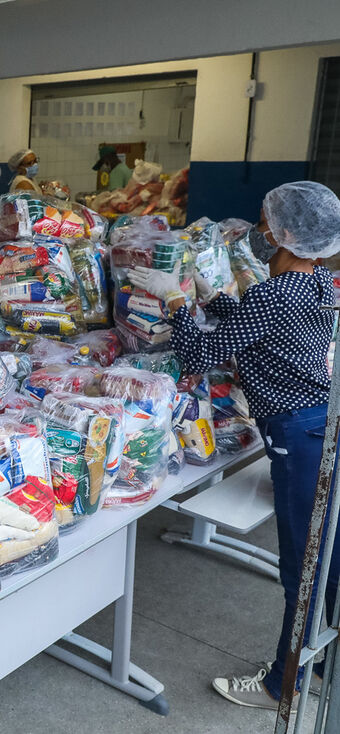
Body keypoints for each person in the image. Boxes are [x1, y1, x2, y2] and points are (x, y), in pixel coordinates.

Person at [126, 181, 340, 711]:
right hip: (324, 426)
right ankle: (319, 663)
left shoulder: (274, 292)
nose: (260, 232)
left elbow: (200, 352)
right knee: (329, 561)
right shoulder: (320, 284)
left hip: (299, 435)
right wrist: (208, 291)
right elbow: (261, 326)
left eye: (266, 223)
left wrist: (175, 299)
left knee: (303, 568)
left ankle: (281, 686)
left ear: (286, 234)